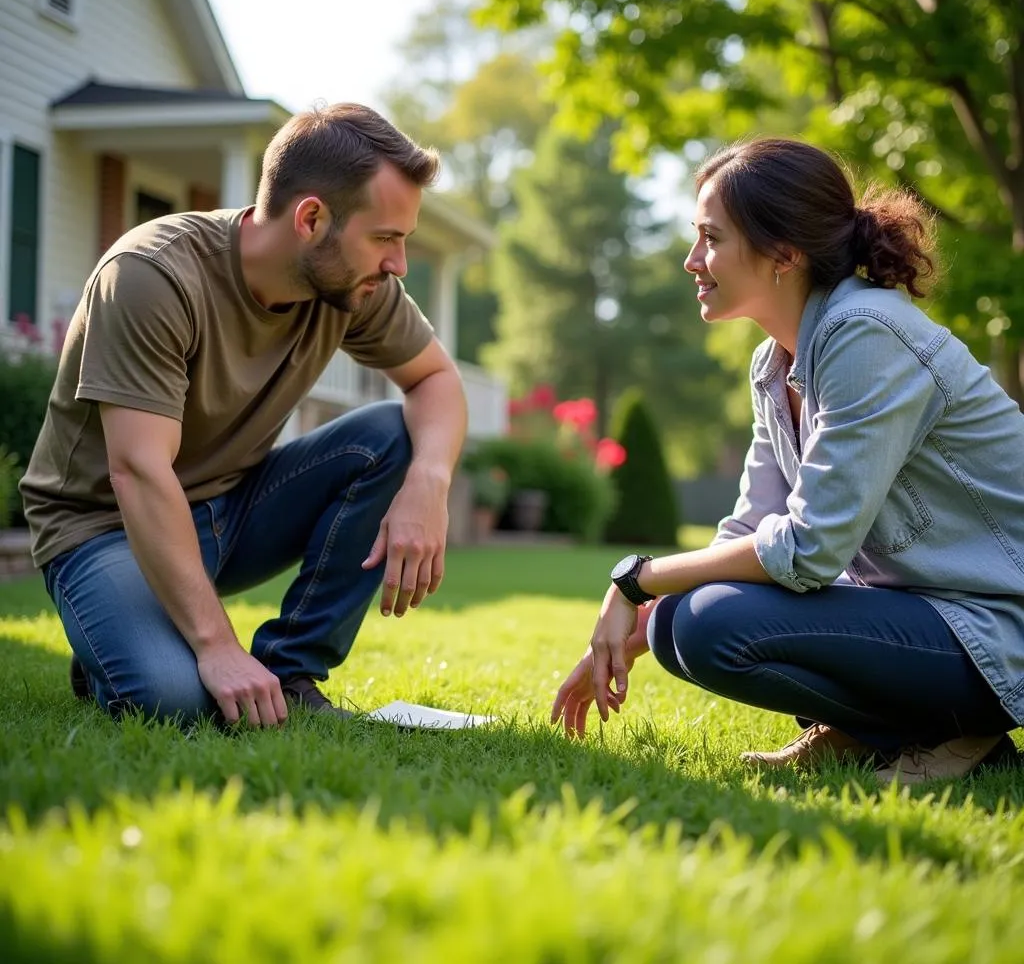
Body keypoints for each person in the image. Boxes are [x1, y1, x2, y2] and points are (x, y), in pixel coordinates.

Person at [552, 137, 1024, 785]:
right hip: (929, 618)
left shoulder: (866, 332)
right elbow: (752, 528)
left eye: (711, 239)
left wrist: (638, 577)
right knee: (674, 625)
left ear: (785, 253)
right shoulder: (775, 361)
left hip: (995, 629)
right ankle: (885, 733)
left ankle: (954, 730)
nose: (692, 260)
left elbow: (807, 550)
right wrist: (639, 617)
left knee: (707, 623)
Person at [20, 103, 468, 728]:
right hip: (106, 528)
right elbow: (138, 471)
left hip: (233, 509)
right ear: (311, 218)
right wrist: (217, 646)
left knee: (393, 436)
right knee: (176, 701)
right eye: (385, 238)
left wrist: (430, 483)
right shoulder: (153, 273)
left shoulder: (355, 285)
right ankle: (126, 638)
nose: (397, 264)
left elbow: (437, 381)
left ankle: (292, 668)